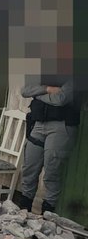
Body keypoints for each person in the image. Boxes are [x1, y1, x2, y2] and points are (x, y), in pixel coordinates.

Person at [16, 76, 79, 213]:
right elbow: (25, 90)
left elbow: (61, 99)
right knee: (29, 168)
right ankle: (23, 212)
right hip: (38, 123)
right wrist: (48, 89)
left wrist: (37, 94)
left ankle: (47, 214)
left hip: (61, 125)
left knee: (52, 172)